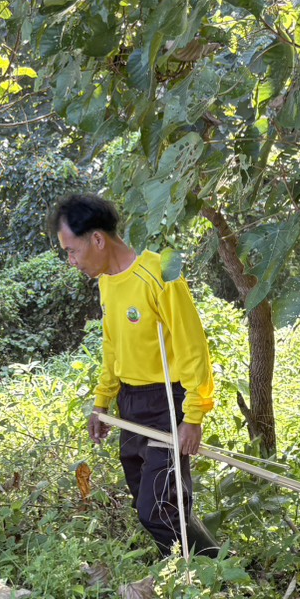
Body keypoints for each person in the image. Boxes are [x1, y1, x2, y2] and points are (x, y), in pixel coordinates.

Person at [53, 193, 221, 557]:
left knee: (157, 506)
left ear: (97, 239)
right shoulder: (106, 282)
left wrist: (193, 415)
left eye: (72, 251)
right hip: (130, 402)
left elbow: (193, 347)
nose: (71, 261)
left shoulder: (159, 274)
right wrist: (102, 402)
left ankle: (212, 571)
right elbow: (112, 347)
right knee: (149, 499)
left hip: (167, 401)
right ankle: (193, 569)